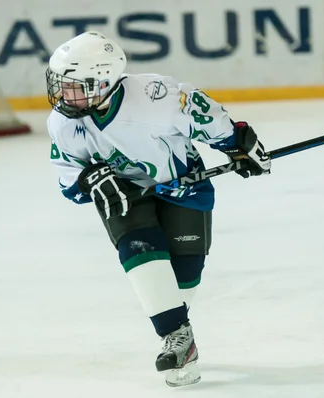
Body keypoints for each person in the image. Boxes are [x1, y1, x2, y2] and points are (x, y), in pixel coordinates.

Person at [45, 31, 271, 387]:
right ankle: (178, 338)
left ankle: (178, 332)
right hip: (123, 195)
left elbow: (204, 114)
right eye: (61, 84)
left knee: (183, 278)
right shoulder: (63, 123)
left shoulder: (156, 98)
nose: (63, 94)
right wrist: (90, 179)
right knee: (140, 250)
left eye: (73, 85)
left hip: (182, 186)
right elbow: (68, 181)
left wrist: (238, 144)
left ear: (103, 81)